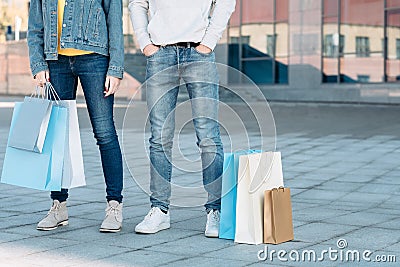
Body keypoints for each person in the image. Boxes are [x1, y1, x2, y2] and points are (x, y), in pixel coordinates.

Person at [129, 0, 235, 237]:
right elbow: (137, 3)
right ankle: (159, 210)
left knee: (208, 136)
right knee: (160, 137)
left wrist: (209, 42)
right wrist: (145, 43)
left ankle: (214, 211)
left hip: (199, 53)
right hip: (160, 54)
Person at [27, 0, 124, 232]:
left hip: (95, 58)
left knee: (104, 133)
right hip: (55, 61)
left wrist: (116, 68)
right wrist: (38, 63)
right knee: (57, 136)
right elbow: (35, 24)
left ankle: (114, 205)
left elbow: (115, 19)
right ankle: (58, 204)